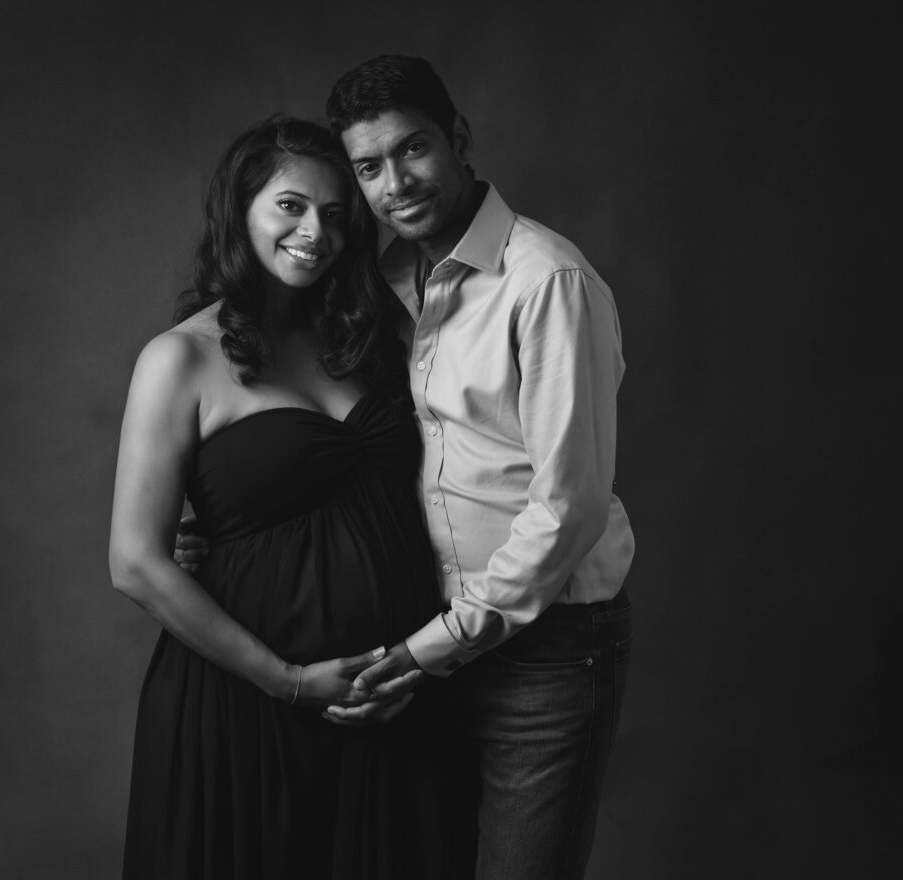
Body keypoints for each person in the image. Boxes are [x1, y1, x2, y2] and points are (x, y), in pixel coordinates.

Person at [109, 115, 462, 879]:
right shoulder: (179, 360)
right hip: (246, 707)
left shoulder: (369, 339)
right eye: (291, 206)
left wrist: (422, 658)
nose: (316, 232)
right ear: (241, 211)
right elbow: (135, 561)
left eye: (337, 215)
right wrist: (291, 682)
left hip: (392, 700)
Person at [322, 56, 637, 880]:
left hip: (549, 648)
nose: (395, 183)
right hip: (437, 636)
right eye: (368, 166)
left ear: (458, 140)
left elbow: (568, 509)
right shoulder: (393, 281)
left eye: (412, 149)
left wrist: (434, 648)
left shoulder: (546, 281)